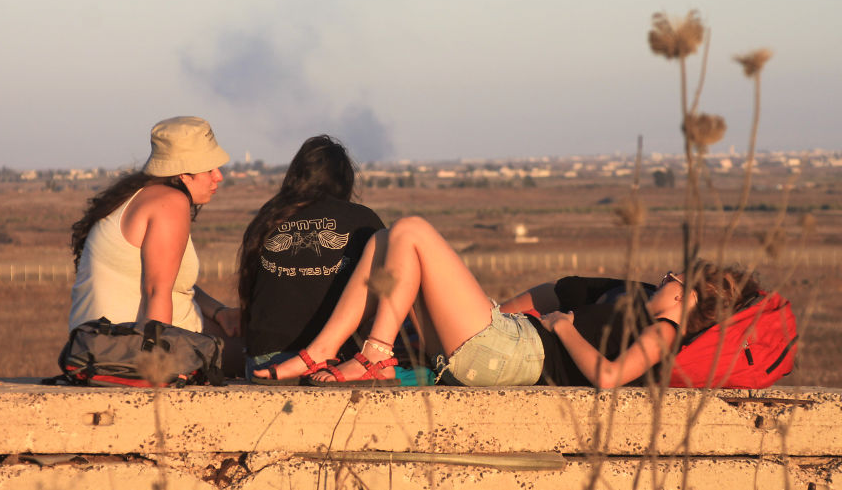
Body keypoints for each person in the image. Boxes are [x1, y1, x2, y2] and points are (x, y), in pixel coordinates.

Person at [254, 216, 760, 388]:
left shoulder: (665, 333)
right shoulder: (635, 295)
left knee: (411, 230)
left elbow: (609, 377)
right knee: (387, 238)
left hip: (517, 352)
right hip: (506, 338)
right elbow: (558, 290)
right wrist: (492, 308)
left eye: (673, 277)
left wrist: (563, 329)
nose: (664, 277)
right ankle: (324, 350)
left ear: (688, 295)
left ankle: (374, 355)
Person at [68, 116, 243, 375]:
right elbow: (156, 292)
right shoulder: (170, 203)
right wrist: (158, 370)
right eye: (209, 169)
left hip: (96, 345)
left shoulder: (138, 195)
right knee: (269, 352)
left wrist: (219, 312)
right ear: (183, 173)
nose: (218, 176)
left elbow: (168, 279)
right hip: (127, 351)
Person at [238, 135, 385, 383]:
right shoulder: (362, 220)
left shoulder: (267, 218)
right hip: (334, 360)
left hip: (265, 361)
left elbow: (251, 295)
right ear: (345, 180)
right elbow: (387, 292)